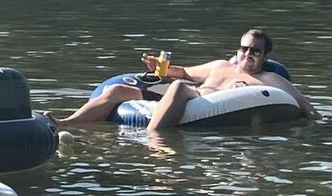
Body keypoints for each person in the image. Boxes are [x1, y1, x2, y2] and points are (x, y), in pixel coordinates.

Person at [55, 30, 318, 129]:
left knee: (180, 88)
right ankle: (66, 123)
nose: (247, 54)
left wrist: (317, 128)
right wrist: (161, 67)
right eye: (244, 49)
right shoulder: (220, 65)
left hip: (204, 103)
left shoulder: (270, 79)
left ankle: (154, 139)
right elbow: (184, 73)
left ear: (265, 55)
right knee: (117, 91)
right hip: (193, 93)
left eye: (255, 51)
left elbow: (306, 107)